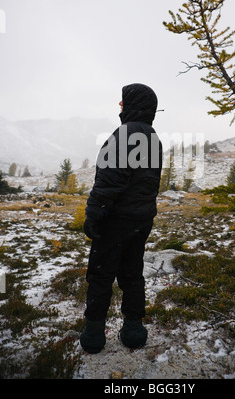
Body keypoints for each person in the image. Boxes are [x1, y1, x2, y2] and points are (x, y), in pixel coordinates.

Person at [80, 83, 162, 354]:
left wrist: (94, 214)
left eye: (123, 102)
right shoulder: (153, 137)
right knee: (132, 273)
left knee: (102, 274)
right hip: (142, 220)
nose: (120, 106)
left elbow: (108, 182)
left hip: (116, 221)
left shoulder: (124, 134)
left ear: (133, 105)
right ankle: (134, 330)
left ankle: (93, 335)